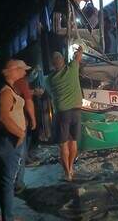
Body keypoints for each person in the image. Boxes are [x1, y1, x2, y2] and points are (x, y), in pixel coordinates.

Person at [0, 59, 30, 221]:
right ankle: (7, 218)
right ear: (13, 71)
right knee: (6, 183)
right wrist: (21, 133)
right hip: (6, 141)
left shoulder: (6, 89)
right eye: (22, 70)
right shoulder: (6, 92)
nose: (24, 72)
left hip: (2, 140)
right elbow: (3, 117)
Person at [45, 47, 83, 181]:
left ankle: (67, 173)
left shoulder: (49, 80)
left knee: (63, 144)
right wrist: (79, 50)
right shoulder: (72, 69)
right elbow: (79, 55)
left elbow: (49, 93)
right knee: (73, 143)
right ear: (63, 61)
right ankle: (71, 167)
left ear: (52, 64)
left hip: (62, 114)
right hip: (77, 112)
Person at [14, 74, 38, 195]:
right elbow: (28, 102)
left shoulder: (2, 81)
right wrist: (33, 119)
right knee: (20, 153)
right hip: (19, 122)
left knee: (12, 154)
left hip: (5, 125)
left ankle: (9, 182)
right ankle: (17, 184)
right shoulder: (22, 81)